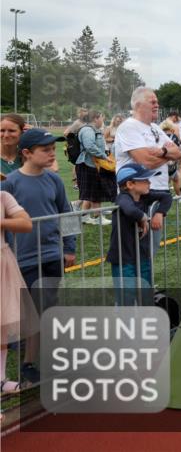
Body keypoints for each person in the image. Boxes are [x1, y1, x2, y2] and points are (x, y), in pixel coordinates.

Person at [0, 128, 75, 384]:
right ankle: (29, 363)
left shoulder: (54, 180)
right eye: (46, 149)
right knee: (28, 313)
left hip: (52, 254)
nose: (52, 153)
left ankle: (35, 362)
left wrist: (69, 247)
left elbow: (66, 214)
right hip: (23, 259)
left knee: (47, 309)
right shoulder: (10, 184)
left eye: (53, 149)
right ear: (27, 153)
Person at [114, 87, 181, 255]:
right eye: (152, 102)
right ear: (138, 105)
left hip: (158, 193)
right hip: (137, 196)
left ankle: (146, 281)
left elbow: (179, 153)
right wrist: (167, 154)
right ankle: (137, 281)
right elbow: (145, 162)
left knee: (151, 248)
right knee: (135, 250)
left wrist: (162, 152)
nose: (157, 105)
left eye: (157, 102)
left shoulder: (155, 128)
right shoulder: (128, 127)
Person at [107, 163, 170, 306]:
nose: (149, 183)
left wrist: (159, 213)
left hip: (142, 255)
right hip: (123, 258)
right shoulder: (122, 198)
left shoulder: (145, 196)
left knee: (146, 293)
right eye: (144, 180)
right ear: (130, 184)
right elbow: (129, 210)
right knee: (126, 297)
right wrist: (142, 217)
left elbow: (166, 197)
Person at [0, 190, 38, 392]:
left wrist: (3, 222)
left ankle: (1, 378)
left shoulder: (3, 197)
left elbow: (26, 223)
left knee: (3, 324)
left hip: (3, 264)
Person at [75, 109, 115, 225]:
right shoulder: (88, 130)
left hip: (92, 164)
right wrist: (104, 156)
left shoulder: (92, 129)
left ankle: (84, 216)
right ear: (95, 118)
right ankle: (98, 217)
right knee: (95, 192)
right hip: (88, 165)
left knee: (91, 192)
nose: (103, 120)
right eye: (101, 117)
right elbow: (89, 146)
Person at [159, 119, 181, 196]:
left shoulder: (159, 137)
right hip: (172, 163)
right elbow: (178, 150)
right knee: (176, 179)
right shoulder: (174, 137)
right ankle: (179, 196)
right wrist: (180, 161)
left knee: (165, 181)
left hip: (162, 162)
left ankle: (166, 195)